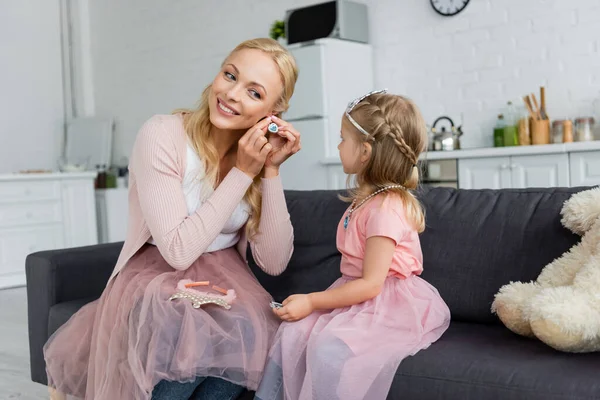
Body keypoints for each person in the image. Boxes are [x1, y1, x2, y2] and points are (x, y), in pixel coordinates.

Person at [44, 37, 300, 400]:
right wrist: (241, 174)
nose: (231, 94)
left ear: (274, 112)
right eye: (230, 75)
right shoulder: (162, 134)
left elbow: (274, 262)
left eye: (255, 94)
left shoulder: (255, 157)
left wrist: (270, 171)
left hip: (226, 280)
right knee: (182, 325)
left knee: (247, 332)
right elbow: (178, 251)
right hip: (157, 272)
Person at [254, 90, 451, 400]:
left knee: (328, 349)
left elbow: (372, 284)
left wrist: (311, 301)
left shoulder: (386, 209)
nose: (338, 145)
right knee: (291, 334)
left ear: (365, 152)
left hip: (387, 303)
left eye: (343, 139)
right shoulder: (365, 201)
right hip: (353, 295)